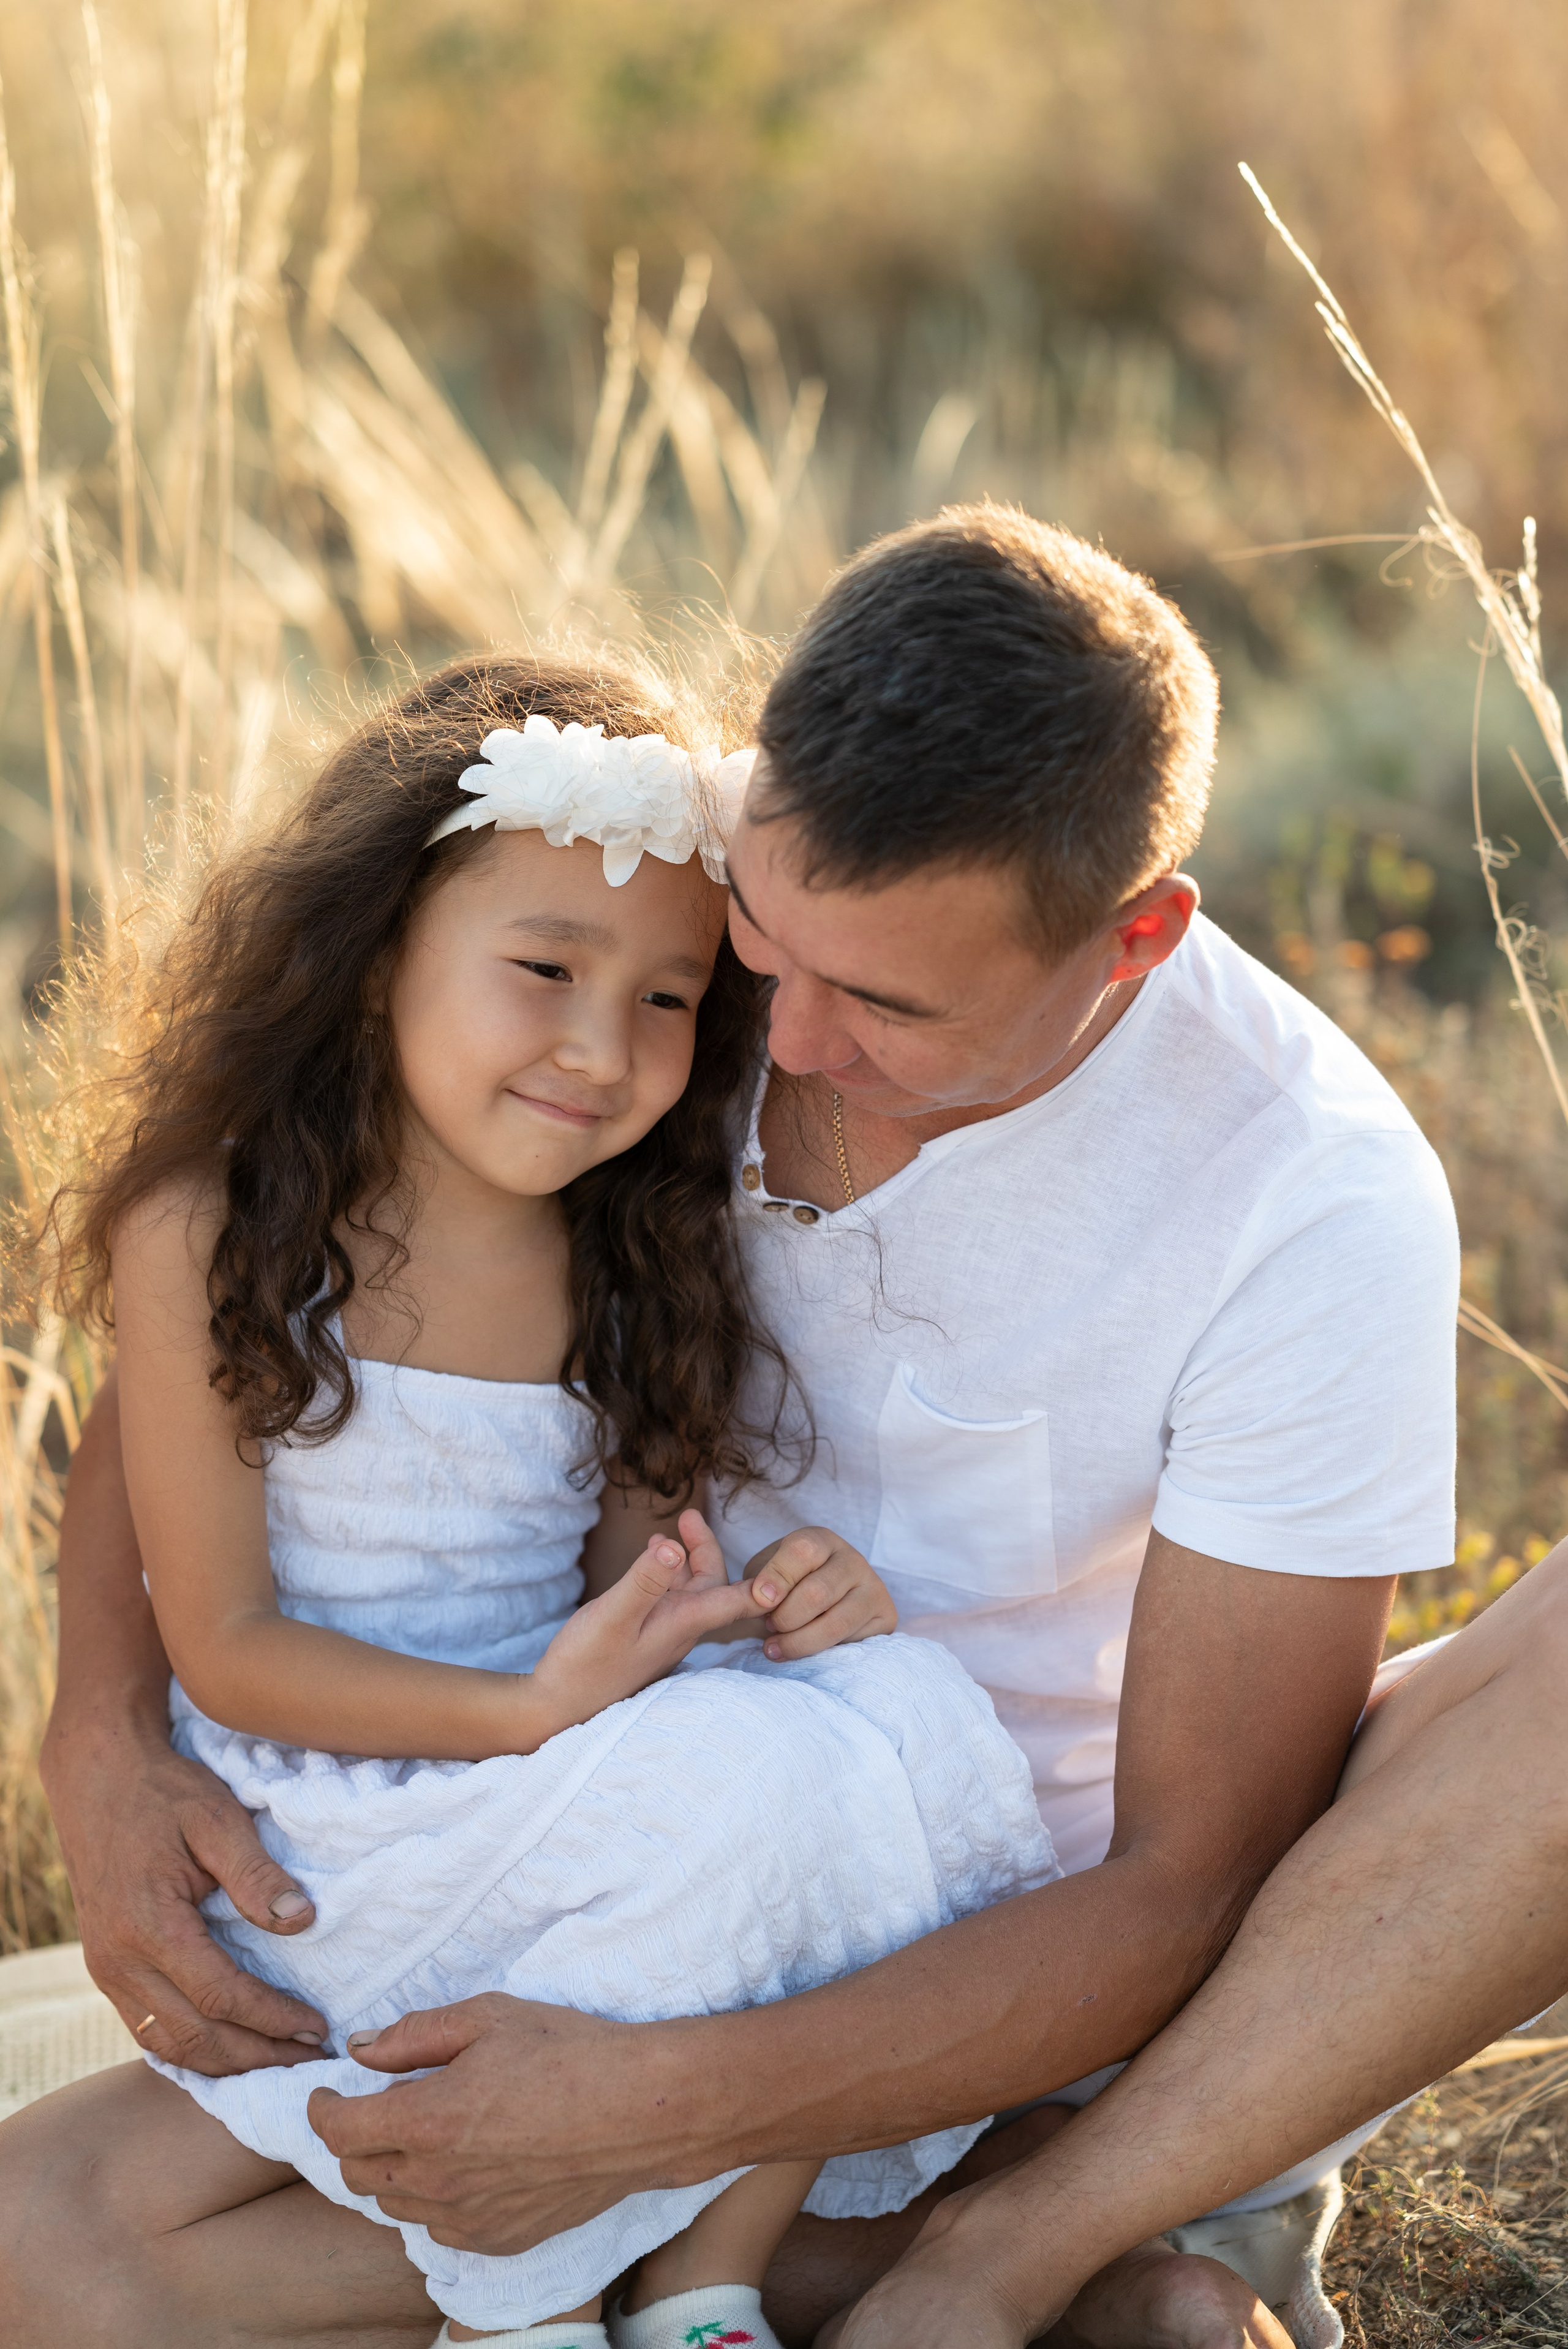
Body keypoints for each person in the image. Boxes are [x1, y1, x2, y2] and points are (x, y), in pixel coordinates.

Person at [2, 507, 1461, 2349]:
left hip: (971, 1971)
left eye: (889, 1004)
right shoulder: (634, 880)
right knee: (31, 2246)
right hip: (558, 1827)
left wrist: (643, 2103)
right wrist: (101, 1726)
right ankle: (1026, 2303)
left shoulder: (1305, 1201)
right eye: (765, 946)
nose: (787, 1035)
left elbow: (1185, 1888)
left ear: (1136, 938)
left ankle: (995, 2245)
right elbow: (218, 1353)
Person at [0, 652, 1058, 2349]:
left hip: (537, 1761)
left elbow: (639, 1593)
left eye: (666, 999)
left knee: (863, 1723)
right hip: (326, 1806)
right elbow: (231, 1645)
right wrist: (526, 1710)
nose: (598, 1046)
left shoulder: (634, 1257)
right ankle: (526, 2305)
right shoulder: (212, 1228)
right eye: (545, 968)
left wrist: (774, 1599)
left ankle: (706, 2293)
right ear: (376, 958)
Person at [821, 1539, 1568, 2347]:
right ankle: (1072, 2276)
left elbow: (1200, 1889)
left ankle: (1019, 2245)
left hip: (1217, 2044)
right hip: (789, 2043)